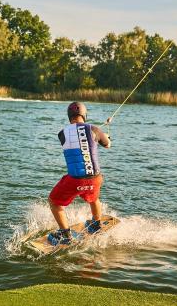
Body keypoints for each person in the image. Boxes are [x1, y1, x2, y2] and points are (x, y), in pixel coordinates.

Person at [47, 102, 111, 246]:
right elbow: (107, 145)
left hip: (75, 180)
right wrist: (104, 135)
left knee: (54, 202)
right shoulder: (95, 129)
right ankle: (96, 223)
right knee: (94, 199)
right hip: (95, 179)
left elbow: (75, 139)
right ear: (84, 115)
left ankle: (66, 235)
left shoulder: (61, 133)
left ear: (69, 117)